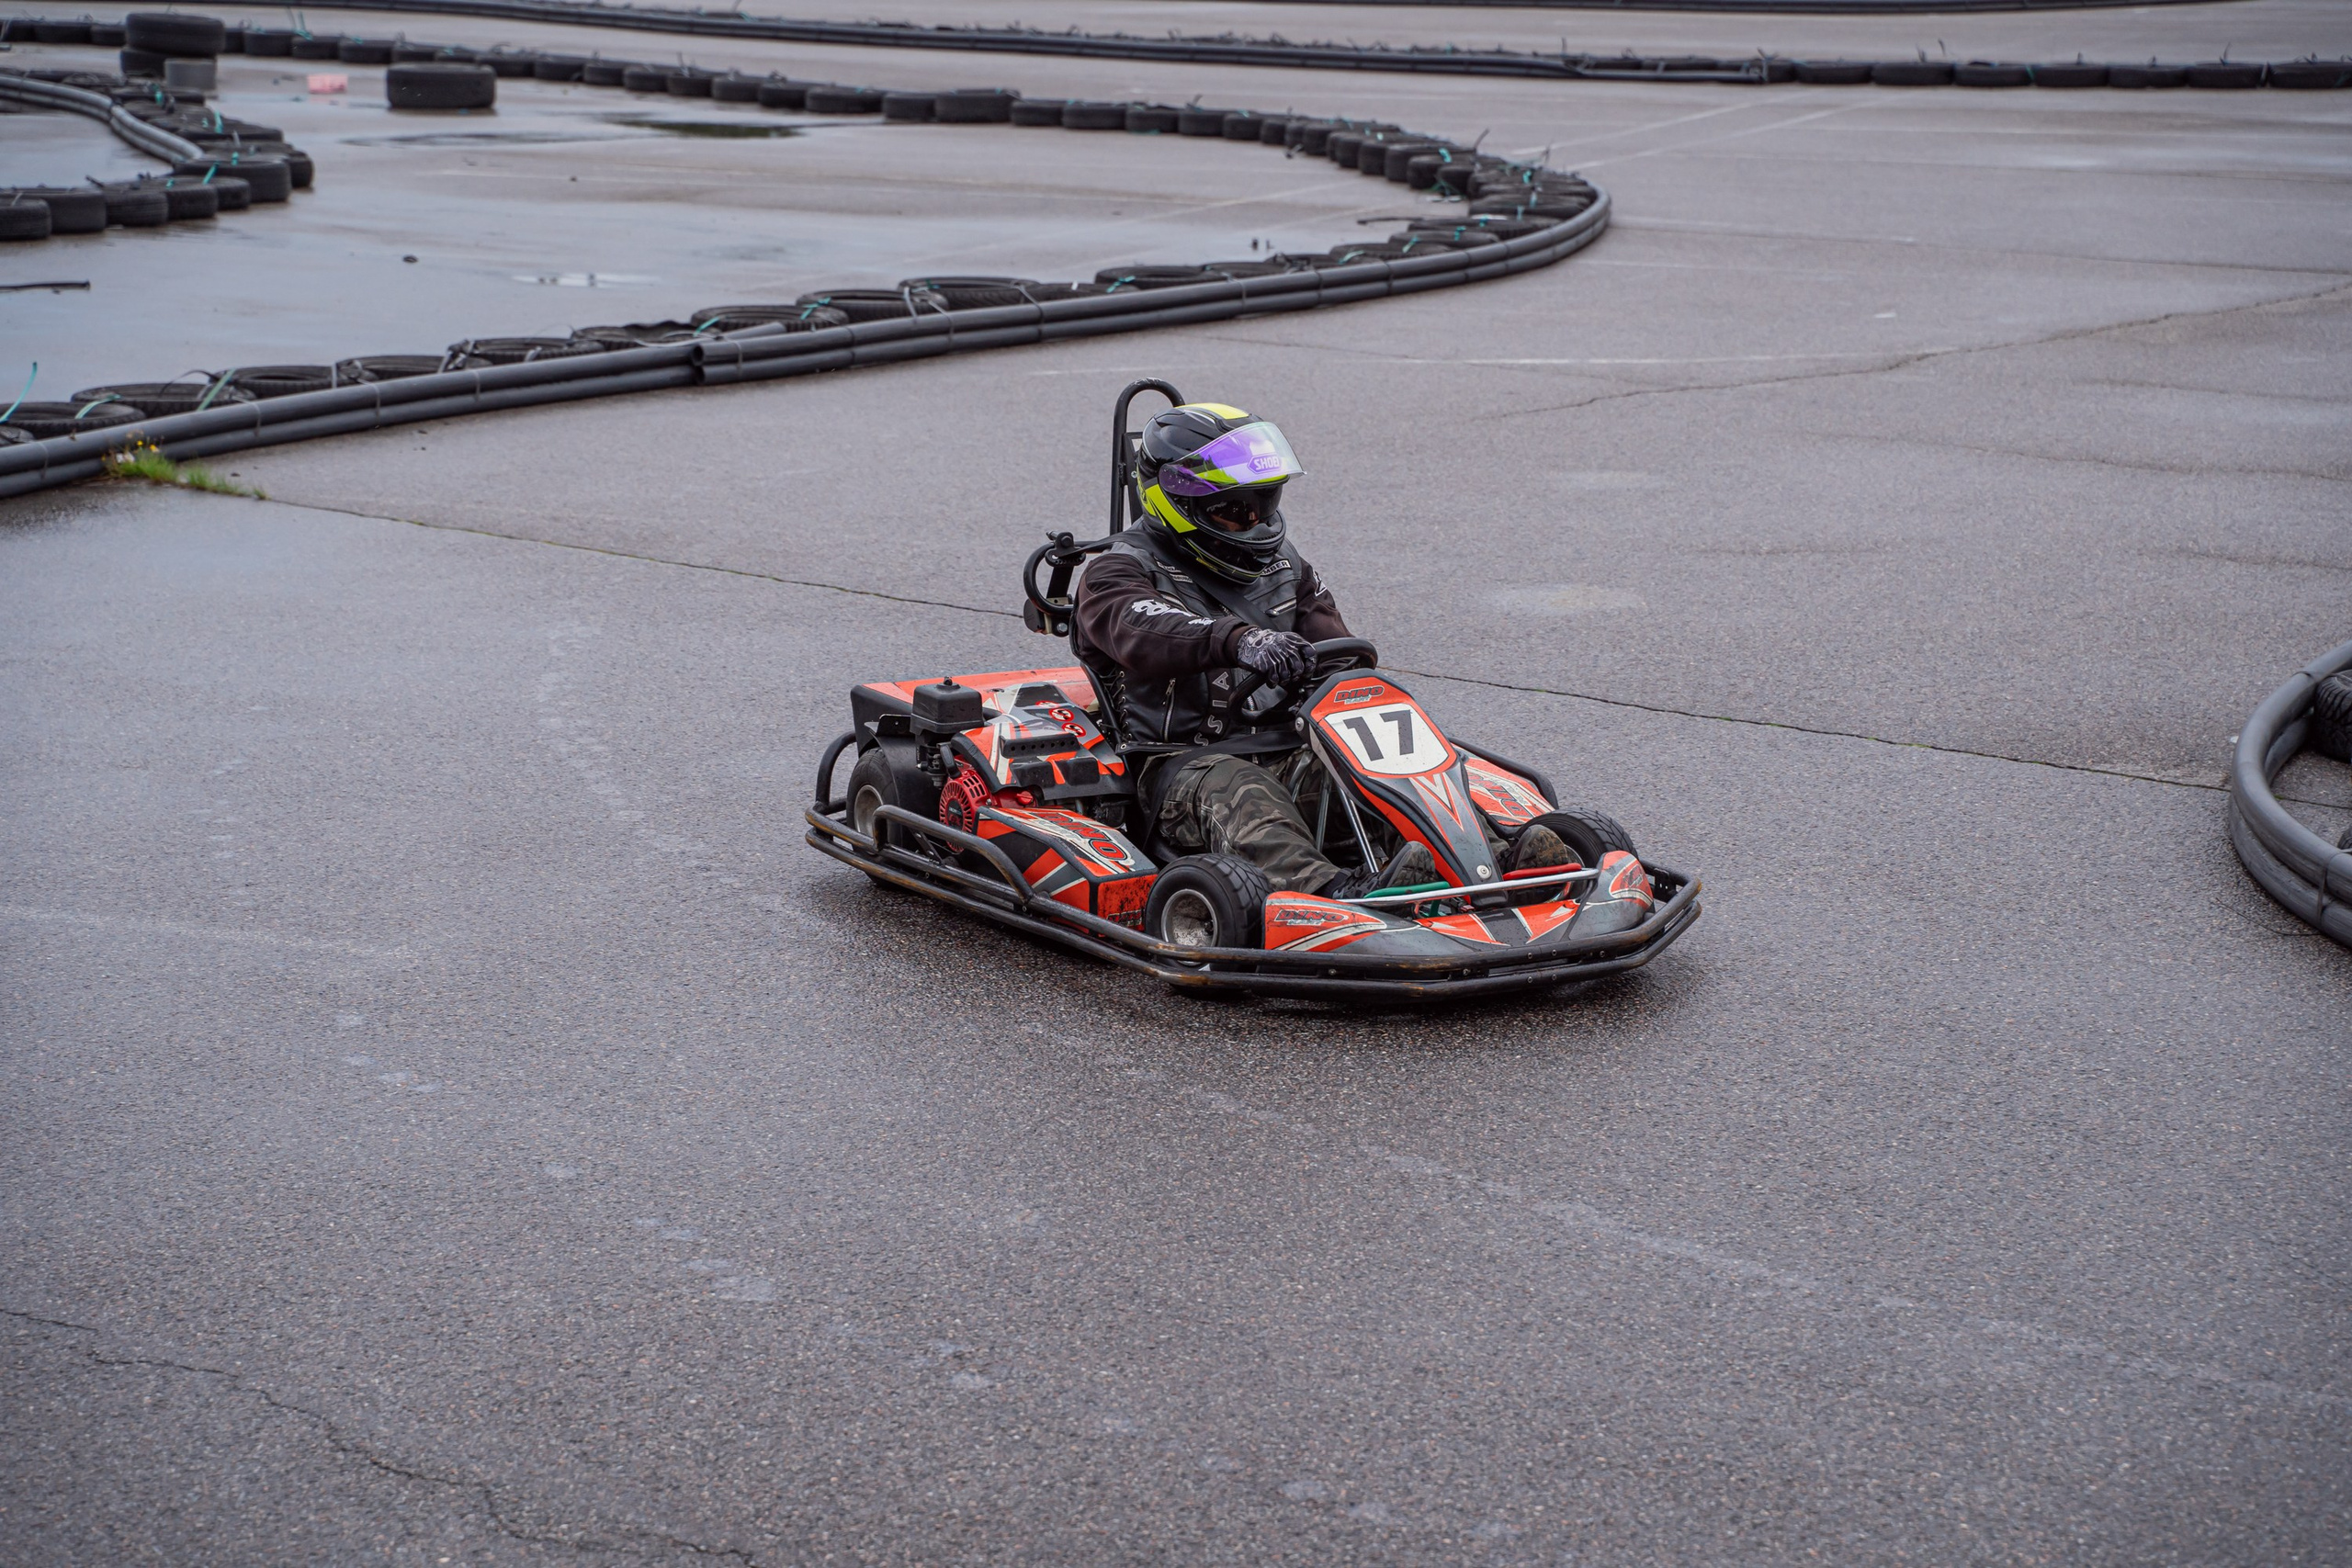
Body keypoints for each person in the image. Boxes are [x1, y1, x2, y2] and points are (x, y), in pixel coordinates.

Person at [1070, 400, 1567, 899]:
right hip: (1183, 767)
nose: (1255, 524)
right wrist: (1242, 641)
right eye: (1234, 511)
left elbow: (1337, 650)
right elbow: (1145, 629)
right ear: (1174, 501)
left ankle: (1489, 863)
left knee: (1376, 772)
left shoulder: (1284, 566)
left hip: (1287, 747)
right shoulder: (1116, 573)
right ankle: (1333, 894)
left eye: (1263, 505)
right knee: (1245, 791)